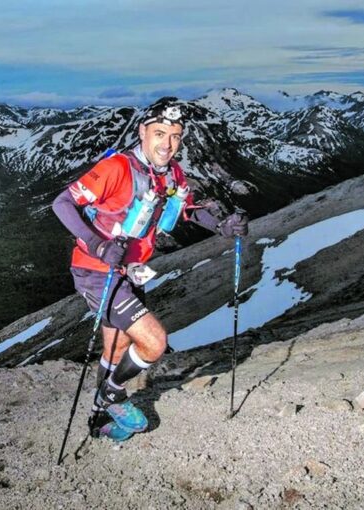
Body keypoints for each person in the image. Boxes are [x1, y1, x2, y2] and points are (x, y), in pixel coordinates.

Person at [52, 99, 249, 442]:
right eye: (159, 133)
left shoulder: (172, 173)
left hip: (129, 270)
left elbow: (184, 210)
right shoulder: (117, 168)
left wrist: (222, 227)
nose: (167, 144)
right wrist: (97, 244)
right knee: (154, 342)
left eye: (175, 136)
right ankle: (113, 392)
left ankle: (101, 419)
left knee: (116, 349)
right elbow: (63, 203)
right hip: (97, 270)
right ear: (143, 132)